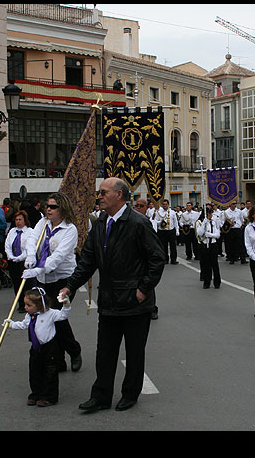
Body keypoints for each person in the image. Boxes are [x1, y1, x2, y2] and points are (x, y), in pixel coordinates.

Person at [59, 177, 165, 413]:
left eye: (104, 192)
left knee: (135, 352)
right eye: (100, 192)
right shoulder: (100, 224)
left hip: (135, 302)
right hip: (109, 300)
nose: (100, 196)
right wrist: (70, 286)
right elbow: (88, 260)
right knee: (104, 352)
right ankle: (101, 396)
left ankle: (130, 393)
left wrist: (142, 290)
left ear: (120, 195)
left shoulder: (138, 222)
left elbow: (157, 259)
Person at [24, 192, 82, 373]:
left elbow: (58, 257)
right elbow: (32, 239)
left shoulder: (70, 229)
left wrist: (39, 269)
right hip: (43, 280)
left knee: (58, 319)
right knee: (46, 319)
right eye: (47, 206)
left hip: (63, 279)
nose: (48, 209)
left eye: (53, 207)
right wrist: (31, 255)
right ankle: (58, 359)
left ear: (62, 209)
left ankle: (74, 351)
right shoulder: (43, 223)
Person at [3, 286, 71, 407]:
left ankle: (49, 396)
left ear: (39, 305)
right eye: (25, 304)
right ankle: (36, 394)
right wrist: (11, 324)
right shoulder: (30, 316)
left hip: (49, 348)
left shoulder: (51, 314)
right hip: (35, 348)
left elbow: (63, 315)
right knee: (34, 372)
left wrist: (66, 304)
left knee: (49, 373)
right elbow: (24, 325)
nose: (25, 307)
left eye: (29, 305)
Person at [5, 210, 34, 313]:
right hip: (13, 262)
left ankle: (28, 303)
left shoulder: (30, 232)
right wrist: (11, 256)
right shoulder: (12, 231)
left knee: (26, 284)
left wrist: (20, 258)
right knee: (16, 283)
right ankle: (20, 303)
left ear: (25, 220)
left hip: (24, 262)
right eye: (16, 220)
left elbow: (29, 247)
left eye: (20, 219)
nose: (18, 222)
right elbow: (7, 245)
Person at [196, 207, 221, 289]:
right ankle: (207, 282)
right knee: (206, 265)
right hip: (205, 245)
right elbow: (199, 233)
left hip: (213, 244)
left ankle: (217, 282)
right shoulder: (201, 222)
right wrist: (204, 224)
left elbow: (218, 234)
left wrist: (210, 235)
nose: (210, 215)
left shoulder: (214, 222)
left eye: (211, 213)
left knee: (215, 264)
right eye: (208, 213)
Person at [154, 199, 179, 264]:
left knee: (173, 246)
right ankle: (165, 259)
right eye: (163, 204)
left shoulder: (173, 212)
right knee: (163, 246)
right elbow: (155, 221)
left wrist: (177, 230)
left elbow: (175, 222)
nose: (165, 206)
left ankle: (173, 259)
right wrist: (161, 223)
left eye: (166, 204)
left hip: (171, 230)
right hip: (162, 231)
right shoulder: (159, 212)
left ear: (168, 205)